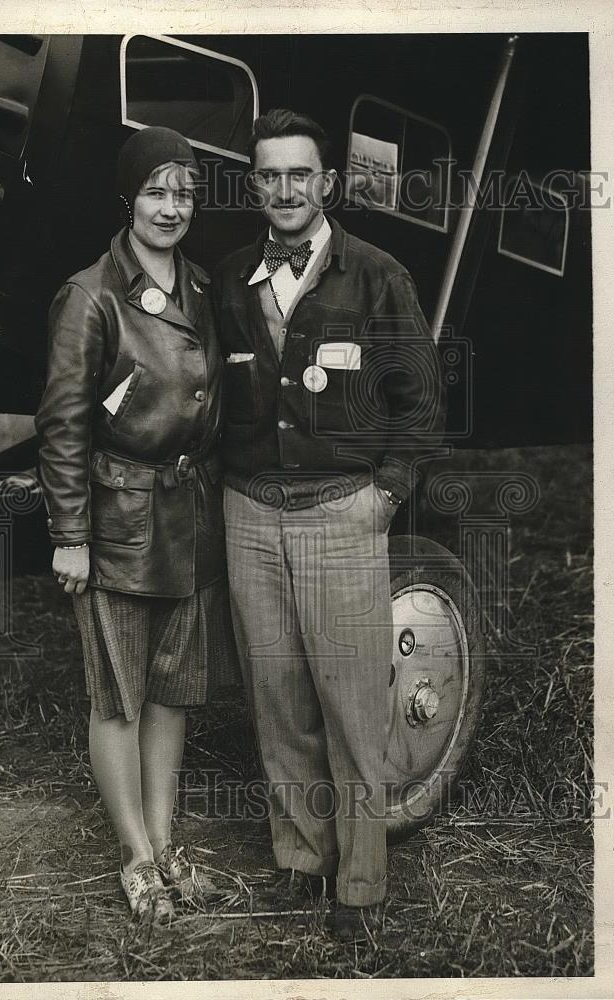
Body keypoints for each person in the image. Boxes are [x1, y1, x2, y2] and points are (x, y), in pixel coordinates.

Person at [213, 109, 446, 941]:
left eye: (298, 175)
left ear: (326, 185)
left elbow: (419, 404)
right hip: (249, 516)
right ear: (254, 186)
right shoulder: (232, 277)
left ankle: (359, 883)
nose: (283, 189)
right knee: (276, 699)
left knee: (350, 704)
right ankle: (300, 862)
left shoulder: (377, 275)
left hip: (341, 515)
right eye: (268, 175)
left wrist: (383, 494)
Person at [35, 126, 235, 926]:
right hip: (117, 519)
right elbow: (63, 427)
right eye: (156, 191)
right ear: (129, 198)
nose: (170, 207)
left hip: (187, 515)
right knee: (117, 696)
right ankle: (135, 860)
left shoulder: (201, 288)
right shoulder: (90, 294)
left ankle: (166, 843)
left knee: (170, 696)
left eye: (183, 193)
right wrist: (70, 535)